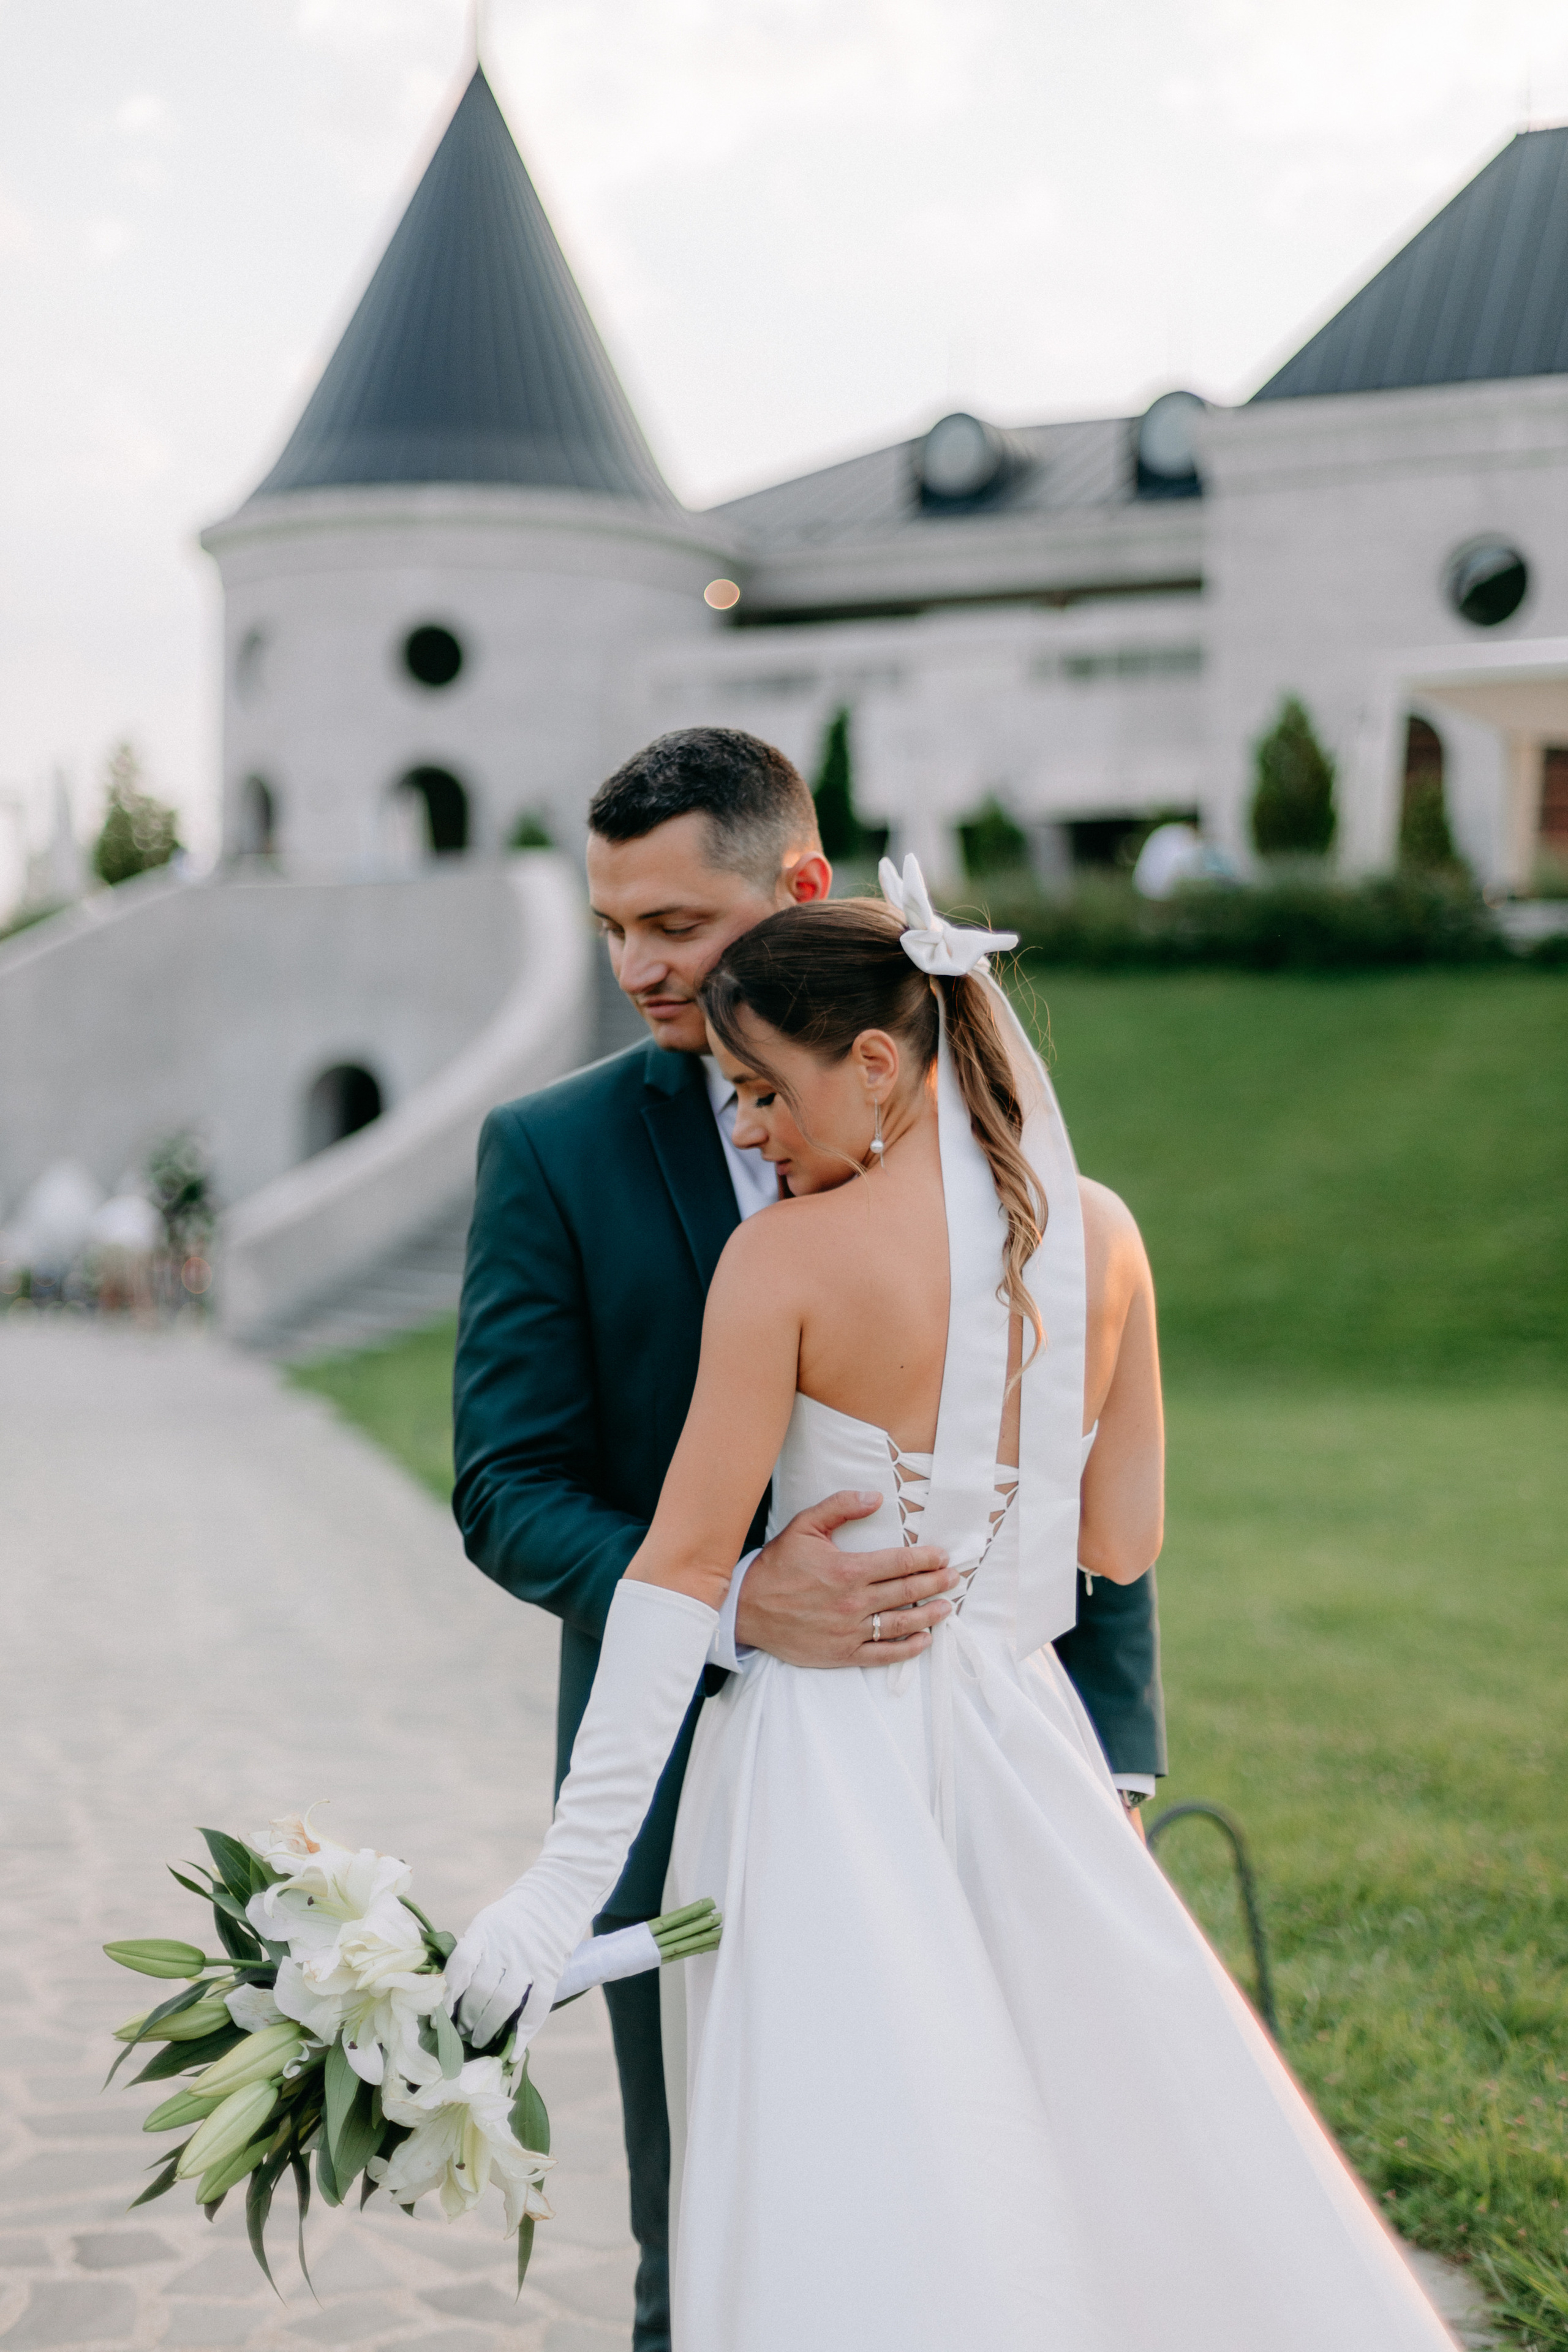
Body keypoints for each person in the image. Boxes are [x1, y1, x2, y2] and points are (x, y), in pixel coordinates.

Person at [447, 866, 1453, 2351]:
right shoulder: (1101, 1233)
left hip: (818, 1765)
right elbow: (1117, 1540)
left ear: (873, 1065)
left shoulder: (781, 1261)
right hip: (1020, 1747)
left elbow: (673, 1580)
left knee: (845, 2166)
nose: (747, 1128)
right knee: (1062, 2134)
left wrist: (559, 1887)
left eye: (762, 1092)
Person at [451, 732, 1166, 2350]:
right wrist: (741, 1604)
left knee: (1007, 2202)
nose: (638, 970)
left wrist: (1113, 1761)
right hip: (686, 1771)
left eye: (677, 927)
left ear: (801, 890)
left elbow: (1070, 1515)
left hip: (996, 1782)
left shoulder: (1022, 1188)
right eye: (611, 928)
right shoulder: (552, 1151)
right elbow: (506, 1485)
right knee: (712, 2230)